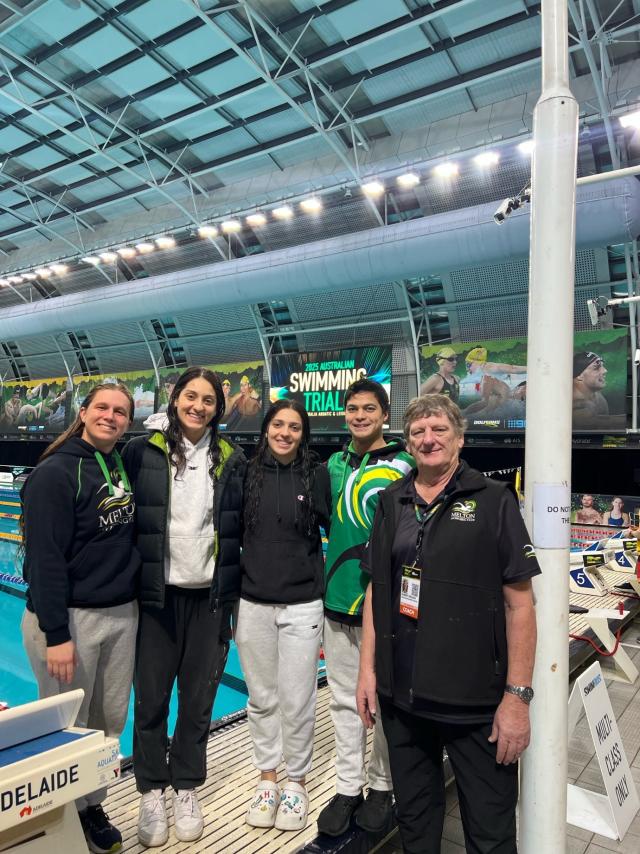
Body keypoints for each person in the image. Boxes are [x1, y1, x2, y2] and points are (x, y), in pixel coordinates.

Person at [356, 394, 540, 854]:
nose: (428, 439)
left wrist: (517, 699)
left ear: (459, 438)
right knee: (415, 825)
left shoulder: (494, 501)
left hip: (475, 704)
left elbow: (521, 606)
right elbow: (378, 589)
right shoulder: (392, 502)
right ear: (408, 443)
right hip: (403, 700)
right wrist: (368, 672)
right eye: (418, 432)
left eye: (439, 429)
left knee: (491, 833)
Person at [122, 366, 246, 847]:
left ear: (218, 408)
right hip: (157, 596)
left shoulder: (232, 458)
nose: (198, 406)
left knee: (197, 701)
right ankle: (152, 789)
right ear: (174, 399)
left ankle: (187, 786)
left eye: (208, 400)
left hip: (210, 598)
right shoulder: (141, 451)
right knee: (151, 699)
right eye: (191, 396)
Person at [20, 382, 139, 854]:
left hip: (120, 614)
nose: (111, 416)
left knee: (109, 721)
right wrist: (57, 634)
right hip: (70, 621)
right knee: (67, 727)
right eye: (102, 408)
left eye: (121, 411)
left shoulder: (118, 464)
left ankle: (91, 806)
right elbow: (44, 559)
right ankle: (62, 814)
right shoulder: (55, 473)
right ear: (83, 412)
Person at [318, 378, 415, 836]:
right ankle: (347, 787)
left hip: (388, 605)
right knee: (343, 700)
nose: (360, 416)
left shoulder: (405, 464)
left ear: (384, 415)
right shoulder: (333, 464)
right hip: (338, 600)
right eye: (353, 408)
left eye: (369, 409)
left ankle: (381, 785)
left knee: (385, 700)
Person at [236, 400, 331, 831]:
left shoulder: (316, 474)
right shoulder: (246, 473)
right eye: (278, 424)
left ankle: (297, 781)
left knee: (297, 699)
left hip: (302, 604)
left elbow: (335, 529)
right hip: (253, 602)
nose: (285, 433)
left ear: (303, 433)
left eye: (294, 427)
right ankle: (267, 777)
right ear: (266, 428)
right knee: (262, 698)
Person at [572, 352, 610, 427]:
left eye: (602, 366)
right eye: (596, 368)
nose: (605, 370)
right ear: (579, 376)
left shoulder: (597, 397)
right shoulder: (573, 403)